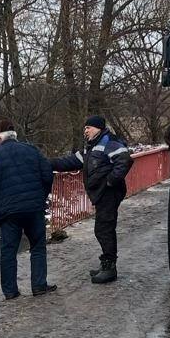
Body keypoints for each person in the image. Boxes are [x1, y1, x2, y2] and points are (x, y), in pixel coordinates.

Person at [51, 115, 133, 284]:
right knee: (104, 229)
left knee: (104, 229)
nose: (85, 131)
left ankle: (109, 268)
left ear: (98, 128)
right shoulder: (92, 147)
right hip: (101, 194)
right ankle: (106, 265)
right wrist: (49, 163)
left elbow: (125, 160)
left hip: (109, 193)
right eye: (85, 128)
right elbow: (72, 161)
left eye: (88, 127)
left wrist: (110, 181)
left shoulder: (109, 142)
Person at [0, 119, 56, 300]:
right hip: (33, 209)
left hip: (8, 213)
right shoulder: (32, 151)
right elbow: (47, 176)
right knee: (38, 246)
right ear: (15, 136)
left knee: (8, 251)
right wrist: (40, 197)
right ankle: (39, 285)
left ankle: (10, 291)